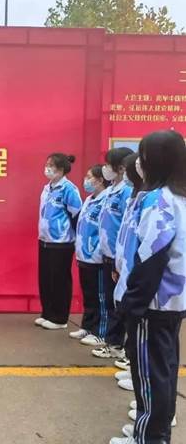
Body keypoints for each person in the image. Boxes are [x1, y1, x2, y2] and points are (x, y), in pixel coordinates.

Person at [109, 131, 186, 444]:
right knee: (163, 370)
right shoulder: (178, 197)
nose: (138, 163)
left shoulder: (159, 200)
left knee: (150, 376)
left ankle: (150, 437)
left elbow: (151, 257)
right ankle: (153, 431)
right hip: (171, 302)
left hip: (152, 304)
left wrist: (132, 304)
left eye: (142, 156)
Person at [91, 147, 134, 358]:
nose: (105, 169)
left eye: (109, 165)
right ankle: (113, 341)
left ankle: (118, 344)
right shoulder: (111, 190)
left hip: (119, 256)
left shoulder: (127, 191)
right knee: (110, 301)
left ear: (121, 168)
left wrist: (119, 257)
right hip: (107, 253)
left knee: (120, 303)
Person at [36, 153, 83, 330]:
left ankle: (60, 318)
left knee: (59, 280)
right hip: (44, 240)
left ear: (61, 169)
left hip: (61, 242)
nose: (47, 168)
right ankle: (47, 313)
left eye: (51, 165)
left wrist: (75, 239)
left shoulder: (69, 189)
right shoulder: (47, 188)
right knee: (46, 278)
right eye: (47, 164)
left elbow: (77, 215)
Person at [71, 165, 109, 346]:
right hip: (84, 255)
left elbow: (105, 229)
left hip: (97, 257)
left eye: (89, 177)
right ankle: (88, 326)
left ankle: (101, 332)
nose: (86, 180)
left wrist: (98, 250)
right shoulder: (89, 199)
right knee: (89, 295)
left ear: (100, 180)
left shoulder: (106, 200)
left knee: (101, 297)